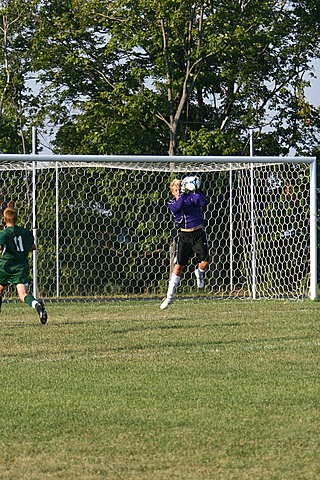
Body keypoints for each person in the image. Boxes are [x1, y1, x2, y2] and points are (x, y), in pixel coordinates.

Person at [160, 177, 209, 309]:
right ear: (172, 192)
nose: (178, 192)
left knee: (204, 261)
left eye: (179, 189)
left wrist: (196, 190)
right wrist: (181, 195)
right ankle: (169, 296)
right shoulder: (172, 202)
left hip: (198, 234)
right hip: (184, 236)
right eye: (175, 190)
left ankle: (199, 272)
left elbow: (203, 203)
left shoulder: (190, 197)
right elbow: (177, 207)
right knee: (178, 266)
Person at [0, 207, 48, 323]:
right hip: (21, 266)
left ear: (4, 219)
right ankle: (37, 305)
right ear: (16, 218)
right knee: (23, 295)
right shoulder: (25, 232)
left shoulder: (4, 234)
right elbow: (33, 246)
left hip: (5, 266)